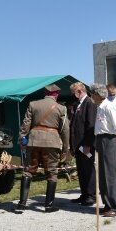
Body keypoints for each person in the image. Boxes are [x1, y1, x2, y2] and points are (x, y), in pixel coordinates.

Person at [16, 84, 70, 213]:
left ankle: (21, 205)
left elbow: (25, 124)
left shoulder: (33, 104)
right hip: (52, 142)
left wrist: (21, 138)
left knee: (28, 171)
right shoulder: (61, 108)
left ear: (45, 92)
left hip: (34, 141)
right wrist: (65, 148)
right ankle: (48, 205)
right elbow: (65, 130)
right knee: (51, 173)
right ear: (56, 94)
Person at [91, 83, 116, 217]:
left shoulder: (109, 107)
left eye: (93, 93)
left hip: (110, 140)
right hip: (101, 140)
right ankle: (108, 204)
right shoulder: (100, 107)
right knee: (103, 174)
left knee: (110, 174)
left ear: (98, 95)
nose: (91, 96)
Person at [69, 82, 97, 206]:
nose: (73, 96)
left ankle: (91, 195)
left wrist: (87, 144)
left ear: (79, 91)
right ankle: (84, 194)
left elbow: (91, 125)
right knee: (81, 169)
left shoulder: (89, 103)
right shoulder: (78, 104)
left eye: (73, 93)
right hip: (77, 144)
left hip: (86, 144)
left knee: (88, 169)